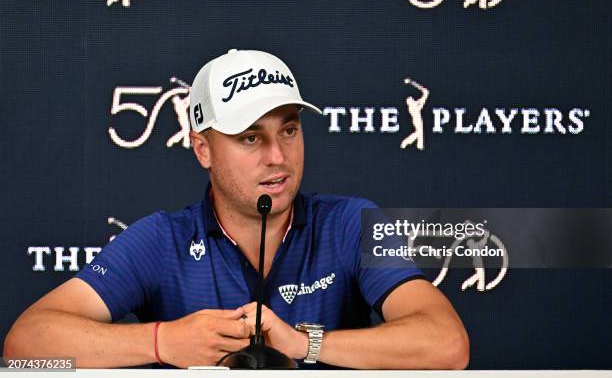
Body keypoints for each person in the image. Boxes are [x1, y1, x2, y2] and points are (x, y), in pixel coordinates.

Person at [3, 50, 469, 369]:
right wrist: (163, 341)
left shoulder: (351, 223)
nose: (277, 156)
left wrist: (304, 343)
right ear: (202, 149)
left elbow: (448, 346)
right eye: (250, 137)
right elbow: (24, 349)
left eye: (288, 131)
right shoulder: (161, 240)